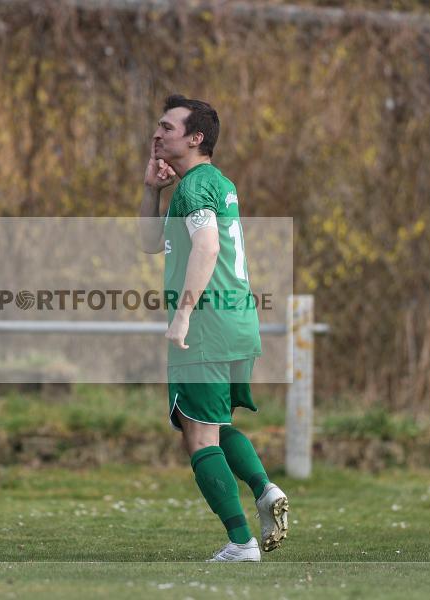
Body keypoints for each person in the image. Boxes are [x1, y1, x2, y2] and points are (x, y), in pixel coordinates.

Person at [139, 94, 289, 562]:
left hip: (204, 324)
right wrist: (151, 191)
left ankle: (241, 542)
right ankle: (264, 491)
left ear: (195, 137)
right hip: (235, 322)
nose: (157, 133)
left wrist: (183, 313)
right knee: (213, 425)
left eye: (168, 127)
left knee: (197, 436)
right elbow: (149, 244)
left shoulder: (195, 188)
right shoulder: (210, 183)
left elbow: (206, 248)